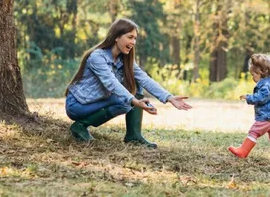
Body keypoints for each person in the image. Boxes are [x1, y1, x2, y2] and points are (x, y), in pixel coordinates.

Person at [65, 18, 192, 148]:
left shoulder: (125, 60)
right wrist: (134, 101)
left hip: (97, 101)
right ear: (116, 37)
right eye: (130, 37)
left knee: (136, 85)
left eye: (135, 38)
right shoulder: (97, 56)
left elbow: (145, 79)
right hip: (78, 105)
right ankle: (80, 126)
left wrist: (169, 97)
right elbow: (111, 83)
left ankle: (133, 135)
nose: (133, 42)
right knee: (125, 101)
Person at [228, 54, 270, 160]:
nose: (252, 77)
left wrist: (248, 97)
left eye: (253, 74)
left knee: (254, 132)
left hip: (267, 118)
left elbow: (260, 98)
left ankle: (243, 151)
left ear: (260, 73)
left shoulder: (265, 85)